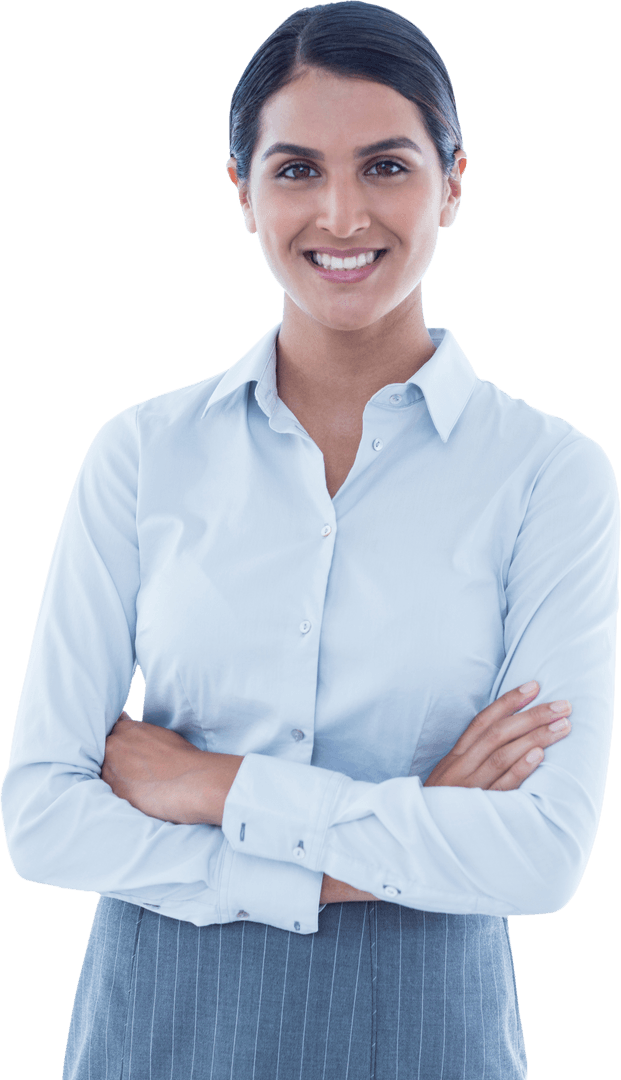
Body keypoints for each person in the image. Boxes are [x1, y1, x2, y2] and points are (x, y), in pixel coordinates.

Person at [1, 2, 618, 1077]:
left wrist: (214, 787)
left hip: (428, 1031)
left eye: (386, 165)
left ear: (454, 184)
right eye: (294, 170)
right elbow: (45, 816)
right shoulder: (141, 454)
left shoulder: (548, 475)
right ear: (242, 194)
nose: (341, 212)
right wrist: (418, 827)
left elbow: (539, 857)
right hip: (157, 1031)